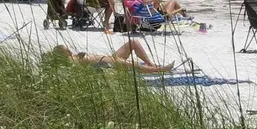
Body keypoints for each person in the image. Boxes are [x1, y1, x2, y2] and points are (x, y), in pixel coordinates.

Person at [47, 42, 175, 74]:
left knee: (133, 42)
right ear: (63, 54)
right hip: (105, 63)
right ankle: (159, 70)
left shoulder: (73, 57)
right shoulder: (71, 60)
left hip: (108, 58)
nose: (69, 49)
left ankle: (150, 65)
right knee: (132, 64)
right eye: (66, 49)